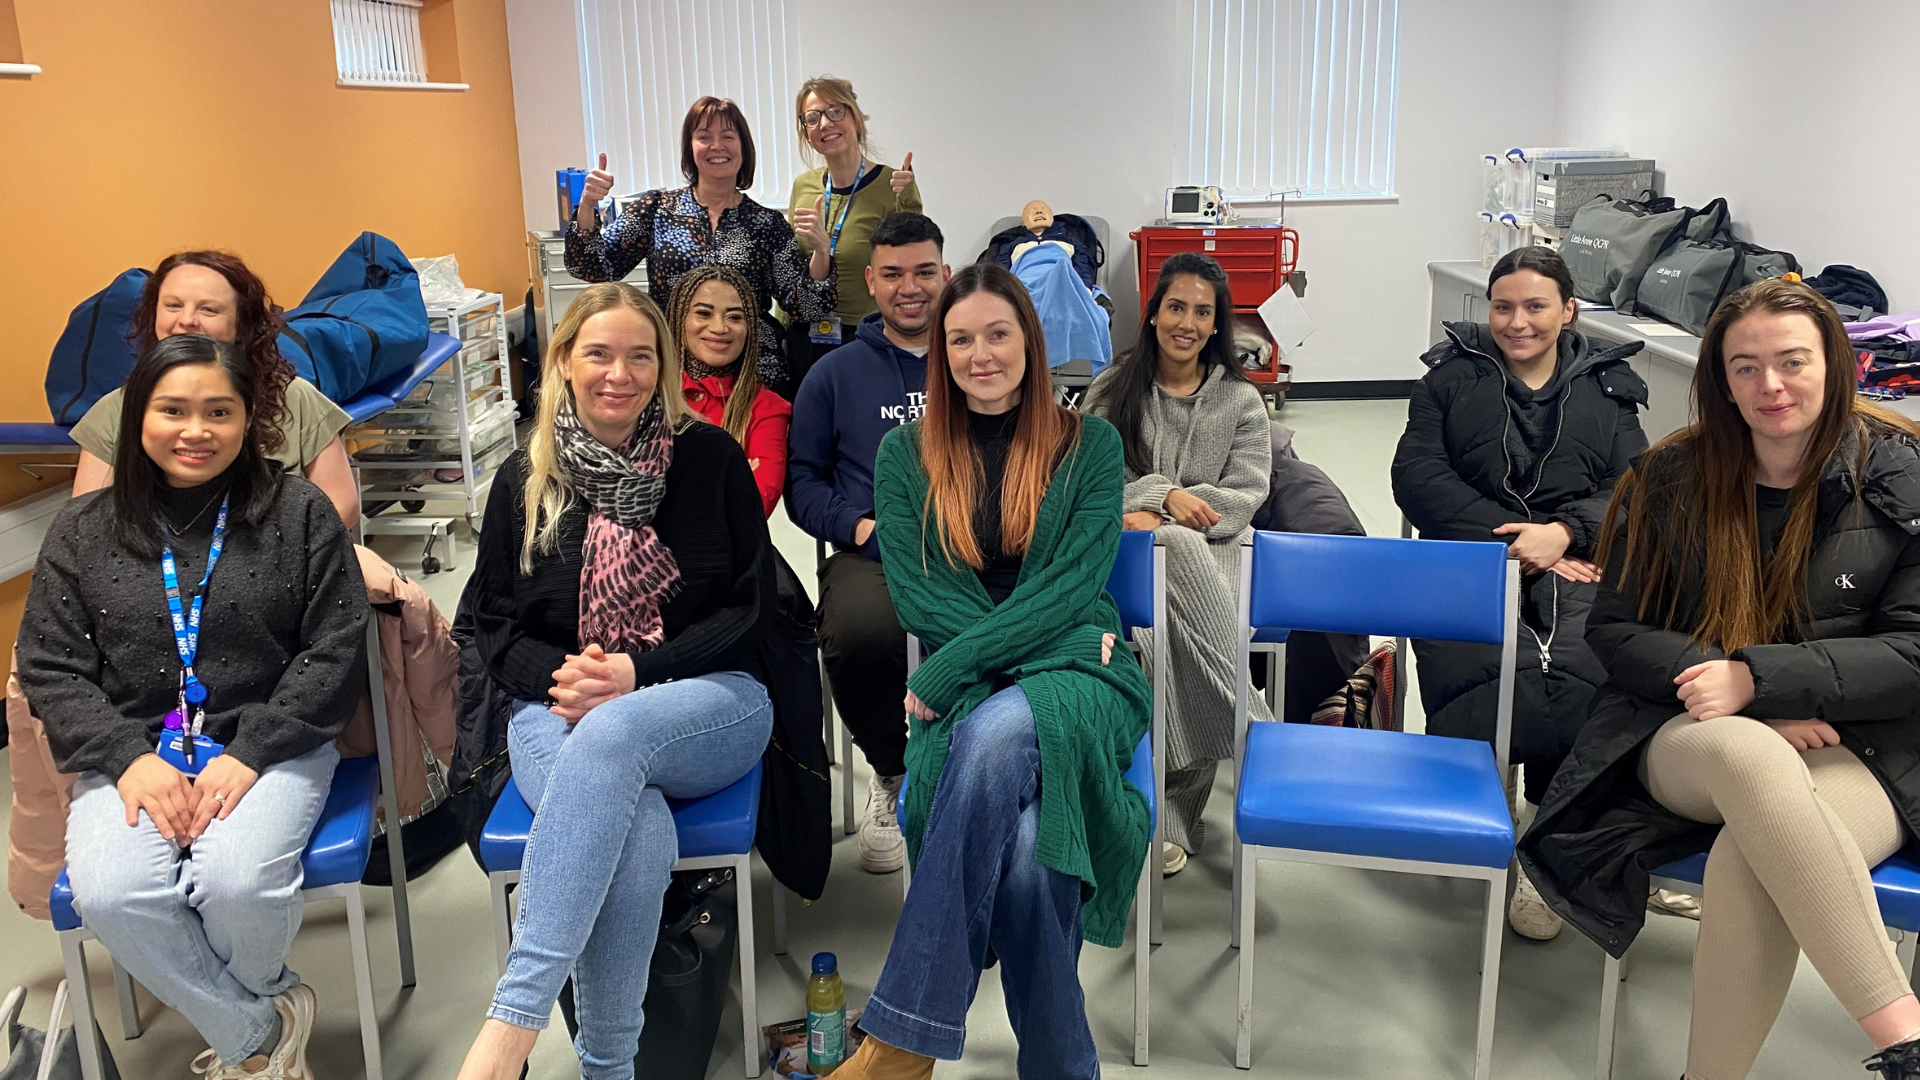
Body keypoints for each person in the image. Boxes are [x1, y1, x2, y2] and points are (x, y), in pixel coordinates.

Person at [1519, 279, 1920, 1080]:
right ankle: (1906, 1033)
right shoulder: (1670, 476)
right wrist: (1735, 687)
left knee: (1751, 858)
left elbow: (1914, 655)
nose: (1770, 386)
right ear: (1719, 379)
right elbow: (1617, 629)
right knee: (1749, 759)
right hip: (1692, 730)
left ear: (1834, 363)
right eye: (1745, 367)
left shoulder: (1901, 477)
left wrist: (1761, 680)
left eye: (1791, 361)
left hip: (1860, 744)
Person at [20, 334, 370, 1080]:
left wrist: (253, 751)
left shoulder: (299, 513)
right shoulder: (84, 531)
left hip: (272, 743)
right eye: (172, 410)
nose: (195, 430)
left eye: (220, 411)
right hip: (137, 750)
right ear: (135, 417)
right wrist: (125, 760)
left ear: (250, 421)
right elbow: (50, 667)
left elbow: (336, 648)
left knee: (237, 882)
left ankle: (247, 1044)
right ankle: (260, 1034)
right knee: (112, 893)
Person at [831, 263, 1149, 1080]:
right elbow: (921, 596)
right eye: (961, 338)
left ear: (1030, 342)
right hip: (1044, 660)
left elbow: (1074, 587)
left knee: (1006, 727)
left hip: (1085, 678)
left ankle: (900, 1042)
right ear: (941, 352)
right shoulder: (905, 456)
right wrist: (1042, 649)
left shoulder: (1091, 443)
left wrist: (957, 669)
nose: (981, 354)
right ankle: (1064, 1067)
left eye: (997, 333)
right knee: (1028, 857)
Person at [452, 282, 775, 1080]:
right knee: (632, 830)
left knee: (614, 730)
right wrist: (567, 674)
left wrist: (638, 672)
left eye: (640, 356)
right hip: (555, 703)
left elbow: (751, 605)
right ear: (563, 361)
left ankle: (512, 1022)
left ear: (662, 368)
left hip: (712, 701)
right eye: (597, 353)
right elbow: (492, 621)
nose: (618, 374)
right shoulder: (521, 480)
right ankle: (610, 1067)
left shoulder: (708, 459)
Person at [1391, 245, 1649, 939]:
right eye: (1504, 306)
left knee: (1586, 670)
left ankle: (1553, 847)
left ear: (1568, 311)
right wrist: (1513, 545)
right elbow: (1417, 478)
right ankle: (1487, 791)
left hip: (1581, 560)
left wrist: (1564, 534)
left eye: (1536, 306)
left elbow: (1635, 489)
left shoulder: (1610, 385)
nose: (1518, 321)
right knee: (1473, 661)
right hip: (1472, 553)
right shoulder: (1450, 379)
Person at [1085, 251, 1271, 876]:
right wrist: (1157, 497)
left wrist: (1170, 518)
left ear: (1216, 324)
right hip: (1123, 549)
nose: (1186, 323)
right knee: (1143, 631)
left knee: (1170, 636)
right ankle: (1254, 724)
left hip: (1213, 550)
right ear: (1154, 312)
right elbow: (1085, 477)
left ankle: (1167, 813)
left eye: (1202, 312)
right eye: (1175, 307)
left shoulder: (1242, 402)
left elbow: (1246, 494)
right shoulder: (1113, 388)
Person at [786, 211, 950, 873]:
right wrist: (858, 526)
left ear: (947, 275)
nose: (911, 288)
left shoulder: (977, 355)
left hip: (975, 548)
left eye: (925, 272)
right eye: (894, 274)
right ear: (871, 282)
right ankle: (893, 772)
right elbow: (803, 482)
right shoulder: (833, 375)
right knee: (859, 635)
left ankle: (983, 774)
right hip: (873, 552)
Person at [565, 96, 836, 396]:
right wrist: (588, 206)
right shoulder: (657, 210)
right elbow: (591, 266)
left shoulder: (767, 223)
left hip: (753, 377)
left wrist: (821, 252)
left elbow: (806, 307)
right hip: (674, 376)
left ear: (744, 148)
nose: (716, 146)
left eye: (728, 137)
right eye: (704, 137)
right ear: (690, 148)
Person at [70, 250, 359, 528]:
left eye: (208, 309)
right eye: (173, 305)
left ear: (241, 324)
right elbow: (89, 526)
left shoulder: (294, 398)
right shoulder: (114, 410)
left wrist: (272, 558)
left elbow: (341, 506)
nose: (186, 320)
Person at [785, 76, 923, 362]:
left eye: (835, 111)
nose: (824, 123)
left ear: (857, 120)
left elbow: (912, 269)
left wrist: (907, 201)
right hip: (805, 336)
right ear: (807, 133)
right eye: (812, 118)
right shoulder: (803, 186)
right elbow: (791, 270)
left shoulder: (892, 185)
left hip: (867, 338)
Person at [666, 264, 792, 516]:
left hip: (724, 554)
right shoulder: (648, 391)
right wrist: (726, 478)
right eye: (703, 313)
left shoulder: (768, 408)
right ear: (680, 319)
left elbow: (753, 507)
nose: (719, 327)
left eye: (734, 317)